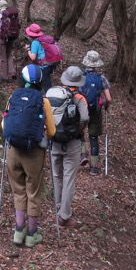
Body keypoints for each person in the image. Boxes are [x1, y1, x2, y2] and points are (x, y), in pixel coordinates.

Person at [2, 64, 56, 247]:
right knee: (33, 191)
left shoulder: (13, 97)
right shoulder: (43, 101)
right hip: (33, 153)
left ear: (22, 80)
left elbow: (4, 125)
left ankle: (18, 232)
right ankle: (32, 235)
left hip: (13, 150)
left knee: (18, 190)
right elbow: (52, 131)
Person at [46, 66, 89, 228]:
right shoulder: (79, 98)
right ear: (78, 82)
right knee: (69, 177)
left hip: (54, 140)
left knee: (57, 175)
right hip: (72, 142)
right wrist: (78, 130)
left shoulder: (53, 94)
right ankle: (64, 215)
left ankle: (58, 205)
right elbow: (85, 117)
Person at [80, 50, 112, 175]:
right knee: (93, 137)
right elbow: (108, 98)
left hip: (82, 108)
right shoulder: (101, 78)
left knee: (80, 132)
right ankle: (93, 167)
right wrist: (106, 106)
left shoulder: (81, 76)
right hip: (96, 110)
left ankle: (83, 155)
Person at [24, 23, 62, 92]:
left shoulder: (35, 42)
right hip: (51, 63)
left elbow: (33, 57)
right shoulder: (43, 39)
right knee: (45, 81)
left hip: (44, 66)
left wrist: (28, 50)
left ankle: (49, 97)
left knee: (46, 85)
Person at [0, 0, 19, 82]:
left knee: (2, 57)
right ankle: (13, 72)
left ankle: (5, 76)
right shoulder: (12, 14)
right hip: (12, 37)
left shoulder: (0, 14)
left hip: (2, 37)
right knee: (9, 55)